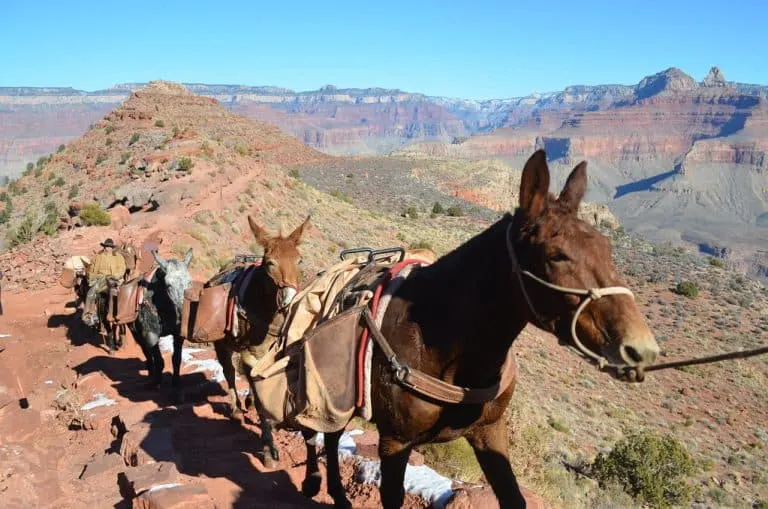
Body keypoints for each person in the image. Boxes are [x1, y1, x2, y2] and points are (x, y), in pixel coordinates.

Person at [82, 238, 127, 324]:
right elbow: (91, 270)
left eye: (110, 246)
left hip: (116, 280)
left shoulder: (118, 256)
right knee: (90, 293)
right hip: (101, 280)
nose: (108, 248)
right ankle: (88, 315)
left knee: (126, 292)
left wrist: (115, 276)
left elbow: (122, 268)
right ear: (104, 246)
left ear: (112, 247)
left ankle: (126, 313)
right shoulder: (97, 257)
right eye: (106, 246)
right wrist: (95, 277)